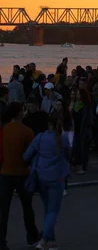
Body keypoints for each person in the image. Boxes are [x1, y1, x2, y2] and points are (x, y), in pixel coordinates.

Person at [24, 114, 70, 250]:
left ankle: (51, 241)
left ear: (49, 124)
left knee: (48, 209)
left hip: (41, 176)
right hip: (58, 177)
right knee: (53, 210)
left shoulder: (40, 137)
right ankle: (44, 240)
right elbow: (68, 155)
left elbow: (26, 155)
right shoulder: (63, 138)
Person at [0, 102, 40, 250]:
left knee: (4, 210)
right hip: (22, 173)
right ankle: (32, 236)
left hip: (5, 173)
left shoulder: (3, 130)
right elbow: (32, 153)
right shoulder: (27, 131)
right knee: (27, 207)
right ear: (18, 113)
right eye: (23, 111)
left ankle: (2, 241)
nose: (25, 113)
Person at [71, 89, 93, 174]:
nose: (77, 96)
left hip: (84, 129)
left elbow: (89, 118)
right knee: (76, 148)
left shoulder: (86, 105)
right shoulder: (75, 104)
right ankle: (77, 164)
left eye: (78, 94)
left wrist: (87, 126)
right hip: (76, 129)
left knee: (84, 149)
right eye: (76, 94)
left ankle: (84, 167)